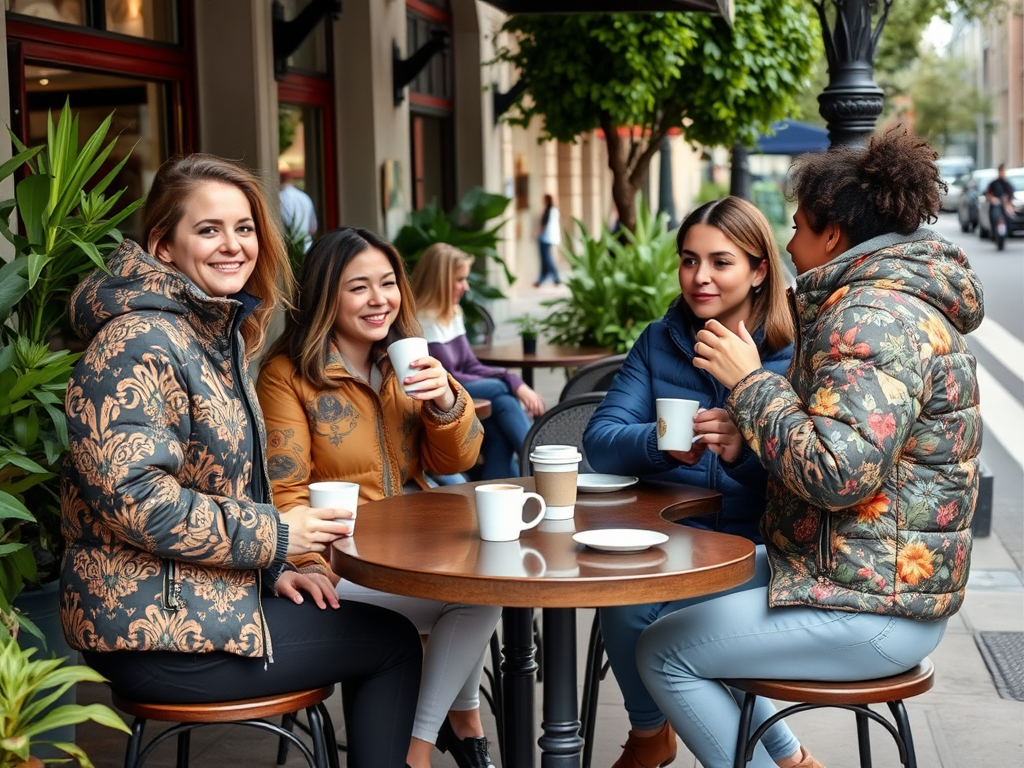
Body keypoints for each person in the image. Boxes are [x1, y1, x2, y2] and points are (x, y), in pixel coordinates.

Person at [60, 154, 422, 768]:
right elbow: (135, 500)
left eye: (245, 227)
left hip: (190, 601)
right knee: (391, 644)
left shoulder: (208, 332)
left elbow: (213, 485)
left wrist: (273, 566)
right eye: (209, 229)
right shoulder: (139, 340)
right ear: (163, 245)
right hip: (151, 630)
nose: (234, 245)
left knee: (372, 625)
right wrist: (277, 533)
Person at [636, 129, 983, 768]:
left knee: (664, 652)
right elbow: (835, 445)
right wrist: (754, 433)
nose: (789, 242)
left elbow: (838, 473)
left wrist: (750, 384)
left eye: (797, 227)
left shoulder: (871, 318)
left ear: (833, 235)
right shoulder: (879, 302)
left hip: (875, 606)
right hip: (848, 575)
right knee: (688, 606)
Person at [255, 227, 499, 768]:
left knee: (485, 585)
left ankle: (429, 740)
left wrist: (445, 401)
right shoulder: (287, 375)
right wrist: (314, 565)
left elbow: (456, 461)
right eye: (358, 287)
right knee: (477, 594)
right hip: (347, 568)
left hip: (416, 551)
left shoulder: (404, 363)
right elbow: (285, 491)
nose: (379, 299)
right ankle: (441, 736)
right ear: (325, 296)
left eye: (387, 284)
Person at [582, 196, 795, 768]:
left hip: (757, 547)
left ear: (759, 271)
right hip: (664, 539)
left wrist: (743, 452)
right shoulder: (661, 340)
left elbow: (812, 471)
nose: (699, 277)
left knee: (671, 625)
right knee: (625, 600)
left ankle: (782, 751)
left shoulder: (794, 351)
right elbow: (600, 439)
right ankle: (650, 732)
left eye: (721, 262)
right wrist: (658, 443)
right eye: (688, 259)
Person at [413, 243, 546, 479]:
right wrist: (511, 382)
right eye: (460, 279)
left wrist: (513, 381)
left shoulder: (452, 313)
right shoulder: (417, 324)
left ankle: (526, 473)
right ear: (440, 282)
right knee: (500, 392)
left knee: (497, 427)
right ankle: (541, 464)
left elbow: (469, 365)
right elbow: (449, 376)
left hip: (466, 393)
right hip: (442, 401)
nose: (466, 286)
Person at [279, 160, 318, 253]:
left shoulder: (279, 199)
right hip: (306, 250)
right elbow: (313, 228)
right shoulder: (304, 197)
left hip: (289, 253)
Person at [534, 193, 561, 286]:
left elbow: (544, 225)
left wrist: (536, 233)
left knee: (546, 258)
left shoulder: (549, 211)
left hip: (546, 237)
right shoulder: (554, 210)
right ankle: (542, 279)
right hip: (552, 237)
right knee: (545, 259)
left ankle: (555, 277)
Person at [985, 163, 1015, 240]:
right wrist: (993, 199)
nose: (1003, 173)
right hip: (996, 206)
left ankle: (1007, 233)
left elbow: (1011, 195)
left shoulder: (1007, 184)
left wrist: (1008, 203)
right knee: (993, 216)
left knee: (1009, 217)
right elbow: (988, 193)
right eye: (1001, 171)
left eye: (1004, 171)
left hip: (1005, 206)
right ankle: (993, 233)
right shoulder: (994, 183)